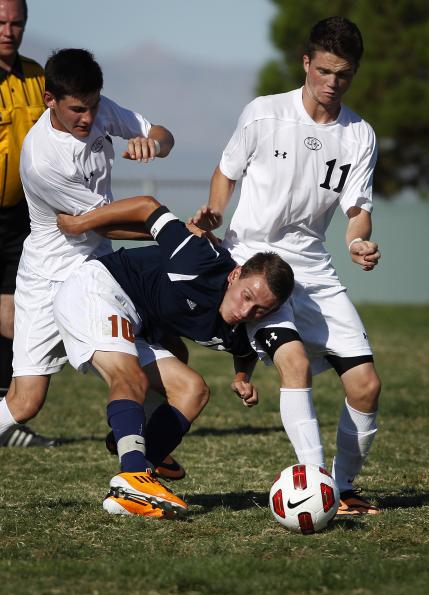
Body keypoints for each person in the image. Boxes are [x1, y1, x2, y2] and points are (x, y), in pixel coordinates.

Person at [191, 16, 382, 515]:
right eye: (323, 70)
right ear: (305, 62)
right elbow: (225, 172)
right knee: (293, 363)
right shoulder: (263, 114)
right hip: (257, 264)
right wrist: (214, 211)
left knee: (366, 385)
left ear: (353, 73)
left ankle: (338, 489)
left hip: (313, 267)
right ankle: (316, 485)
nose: (332, 83)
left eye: (343, 74)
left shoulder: (360, 134)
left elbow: (356, 211)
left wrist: (359, 242)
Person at [53, 194, 295, 518]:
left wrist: (242, 377)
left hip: (135, 322)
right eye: (246, 296)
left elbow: (243, 349)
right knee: (129, 378)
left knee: (193, 389)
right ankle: (133, 474)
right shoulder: (199, 259)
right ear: (235, 276)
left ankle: (139, 478)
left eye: (259, 309)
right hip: (98, 289)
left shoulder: (246, 324)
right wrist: (80, 224)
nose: (245, 311)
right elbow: (146, 206)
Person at [0, 48, 179, 468]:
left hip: (99, 270)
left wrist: (151, 143)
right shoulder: (43, 160)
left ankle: (142, 451)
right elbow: (101, 224)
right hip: (49, 280)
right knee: (25, 402)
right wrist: (172, 234)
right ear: (50, 101)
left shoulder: (99, 110)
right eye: (77, 109)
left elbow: (164, 135)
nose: (87, 118)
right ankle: (139, 449)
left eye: (93, 106)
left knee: (169, 348)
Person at [0, 0, 61, 447]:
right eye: (1, 21)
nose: (8, 30)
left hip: (20, 216)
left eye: (16, 22)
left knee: (12, 317)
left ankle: (8, 418)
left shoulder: (38, 77)